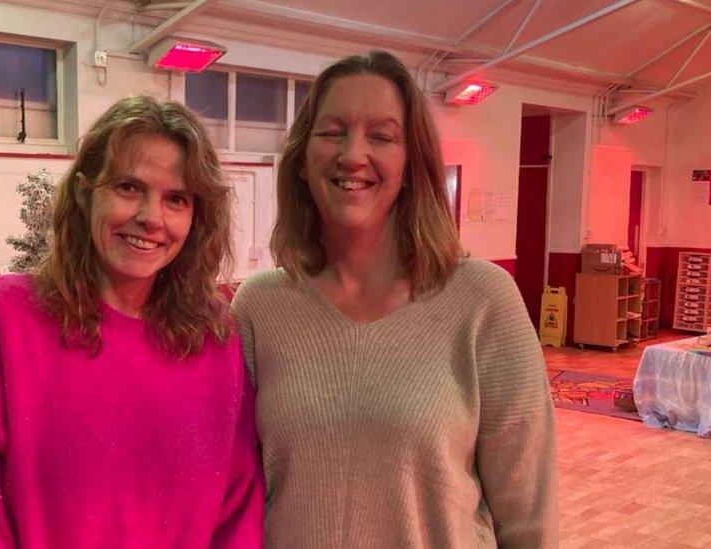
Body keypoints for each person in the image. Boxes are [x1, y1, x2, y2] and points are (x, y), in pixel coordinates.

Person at [231, 51, 557, 548]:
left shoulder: (483, 300)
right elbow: (235, 492)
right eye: (332, 131)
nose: (353, 154)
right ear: (301, 160)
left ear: (411, 166)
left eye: (381, 136)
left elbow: (529, 516)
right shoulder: (259, 307)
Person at [0, 96, 263, 547]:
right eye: (128, 187)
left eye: (176, 199)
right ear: (86, 194)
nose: (150, 218)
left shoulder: (214, 339)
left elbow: (237, 511)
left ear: (197, 219)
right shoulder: (3, 320)